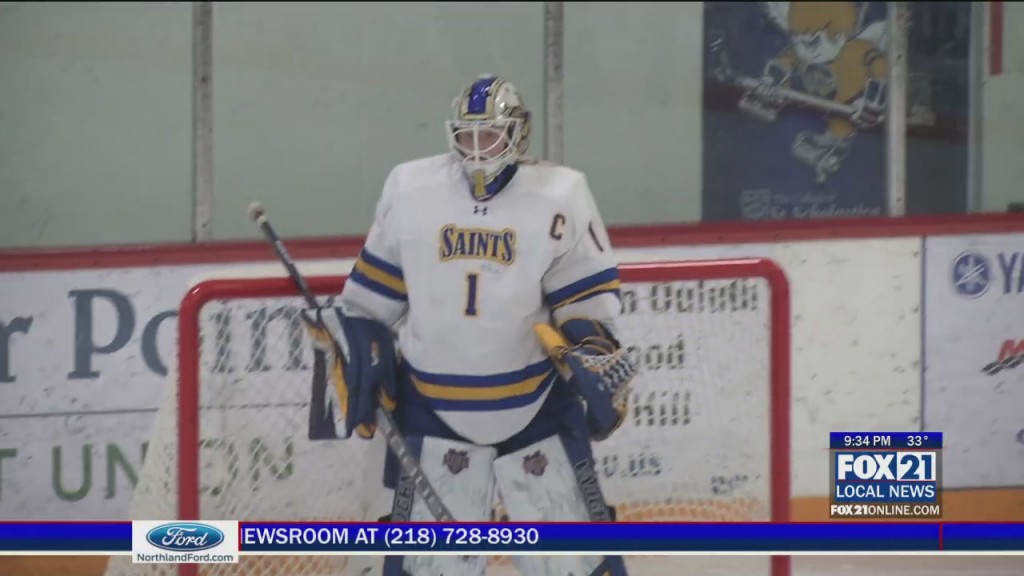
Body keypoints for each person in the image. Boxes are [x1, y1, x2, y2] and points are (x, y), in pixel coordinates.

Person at [310, 75, 633, 576]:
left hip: (537, 409)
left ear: (517, 135)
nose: (478, 149)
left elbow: (584, 304)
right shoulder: (411, 188)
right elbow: (371, 302)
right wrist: (361, 346)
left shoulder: (561, 194)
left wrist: (589, 350)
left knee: (578, 565)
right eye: (467, 136)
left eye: (491, 136)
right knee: (425, 568)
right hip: (430, 411)